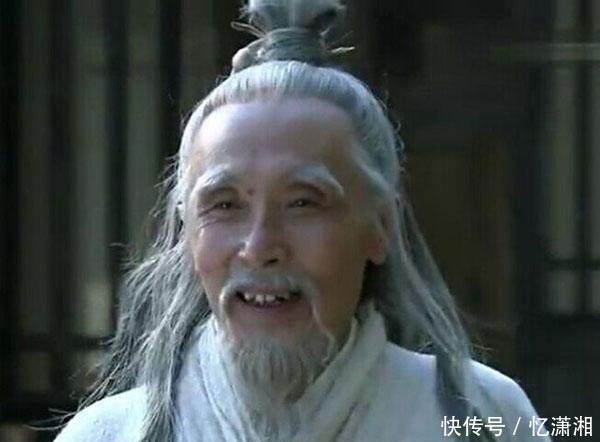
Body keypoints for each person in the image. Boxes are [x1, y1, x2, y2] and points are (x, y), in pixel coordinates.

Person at [54, 1, 551, 441]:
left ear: (380, 226)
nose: (260, 247)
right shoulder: (112, 434)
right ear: (187, 232)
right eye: (224, 205)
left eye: (303, 203)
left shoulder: (482, 416)